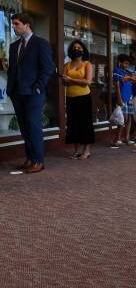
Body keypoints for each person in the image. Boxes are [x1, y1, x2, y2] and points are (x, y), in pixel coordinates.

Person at [6, 13, 55, 173]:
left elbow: (47, 68)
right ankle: (30, 158)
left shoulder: (41, 43)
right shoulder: (14, 46)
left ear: (27, 25)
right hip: (17, 92)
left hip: (34, 92)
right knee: (24, 127)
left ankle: (38, 161)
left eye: (16, 24)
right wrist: (10, 89)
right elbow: (12, 70)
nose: (14, 27)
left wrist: (38, 87)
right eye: (13, 24)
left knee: (33, 126)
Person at [61, 40, 95, 159]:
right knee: (72, 124)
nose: (76, 49)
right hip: (70, 98)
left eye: (79, 47)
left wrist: (70, 80)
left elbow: (88, 82)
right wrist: (66, 80)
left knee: (85, 124)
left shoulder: (87, 64)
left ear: (83, 50)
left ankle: (87, 150)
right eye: (74, 47)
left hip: (84, 98)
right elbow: (64, 82)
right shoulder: (67, 65)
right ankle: (76, 150)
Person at [111, 54, 134, 146]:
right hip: (122, 97)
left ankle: (127, 138)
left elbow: (132, 83)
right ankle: (117, 138)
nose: (127, 65)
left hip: (130, 97)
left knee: (129, 119)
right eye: (125, 63)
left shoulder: (128, 72)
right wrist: (119, 98)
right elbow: (117, 85)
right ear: (120, 62)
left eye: (128, 64)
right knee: (123, 118)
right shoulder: (117, 70)